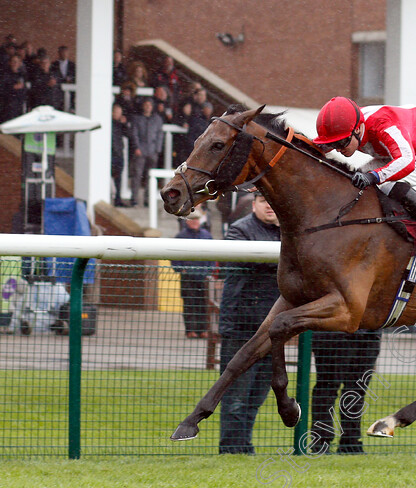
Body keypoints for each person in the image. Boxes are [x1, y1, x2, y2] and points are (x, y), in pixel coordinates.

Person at [312, 96, 416, 257]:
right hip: (406, 145)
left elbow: (407, 161)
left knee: (387, 183)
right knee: (354, 178)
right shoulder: (351, 126)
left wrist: (374, 176)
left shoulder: (382, 124)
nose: (338, 150)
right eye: (334, 144)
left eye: (341, 143)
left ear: (358, 129)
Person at [217, 191, 280, 454]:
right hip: (241, 327)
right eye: (265, 202)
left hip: (273, 330)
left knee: (257, 394)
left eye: (274, 202)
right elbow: (250, 262)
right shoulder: (239, 231)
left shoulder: (287, 233)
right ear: (253, 204)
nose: (270, 207)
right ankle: (231, 448)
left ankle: (244, 445)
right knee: (236, 395)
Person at [309, 328, 382, 454]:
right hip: (333, 334)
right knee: (327, 387)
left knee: (357, 391)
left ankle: (351, 443)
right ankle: (321, 442)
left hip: (369, 335)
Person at [171, 206, 214, 339]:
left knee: (203, 304)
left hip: (203, 277)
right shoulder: (181, 236)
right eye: (192, 220)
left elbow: (213, 256)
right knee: (189, 303)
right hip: (188, 277)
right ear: (187, 221)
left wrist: (209, 270)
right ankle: (190, 330)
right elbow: (175, 256)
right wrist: (180, 269)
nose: (195, 222)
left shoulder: (206, 236)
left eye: (197, 220)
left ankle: (203, 329)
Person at [128, 97, 164, 207]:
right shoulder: (137, 119)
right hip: (141, 150)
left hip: (152, 151)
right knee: (137, 175)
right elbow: (134, 134)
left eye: (150, 105)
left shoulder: (157, 119)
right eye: (146, 105)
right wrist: (136, 148)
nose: (148, 107)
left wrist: (157, 150)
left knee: (150, 176)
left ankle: (148, 199)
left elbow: (159, 135)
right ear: (143, 106)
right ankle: (134, 199)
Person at [111, 103, 128, 207]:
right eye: (116, 112)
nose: (117, 114)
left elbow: (128, 134)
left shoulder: (120, 124)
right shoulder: (108, 123)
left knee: (119, 178)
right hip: (110, 153)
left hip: (119, 154)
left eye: (119, 112)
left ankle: (118, 199)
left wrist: (124, 124)